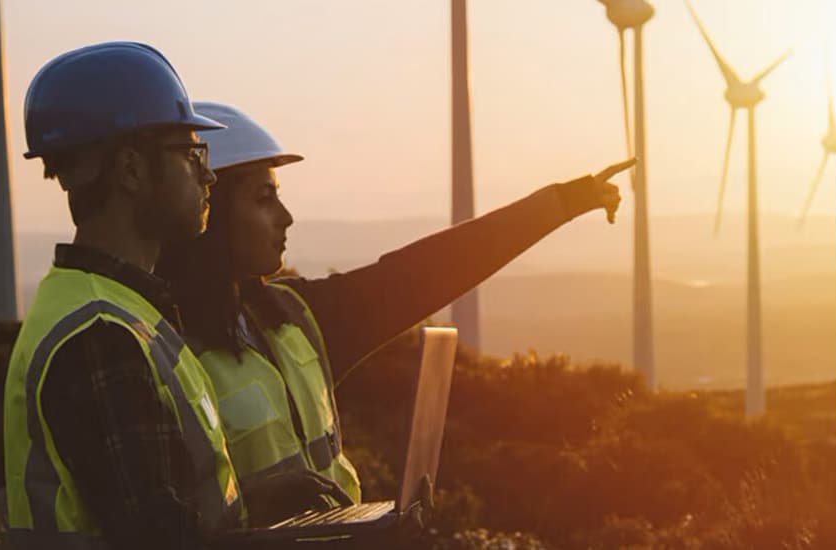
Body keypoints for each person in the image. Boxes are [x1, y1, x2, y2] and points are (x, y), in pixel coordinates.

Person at [155, 101, 633, 525]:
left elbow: (431, 269)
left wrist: (566, 202)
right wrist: (250, 508)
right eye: (263, 198)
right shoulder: (155, 344)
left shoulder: (295, 319)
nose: (285, 216)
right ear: (206, 209)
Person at [1, 42, 244, 548]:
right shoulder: (101, 337)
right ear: (131, 170)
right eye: (192, 153)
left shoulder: (107, 310)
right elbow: (159, 536)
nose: (209, 174)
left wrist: (265, 503)